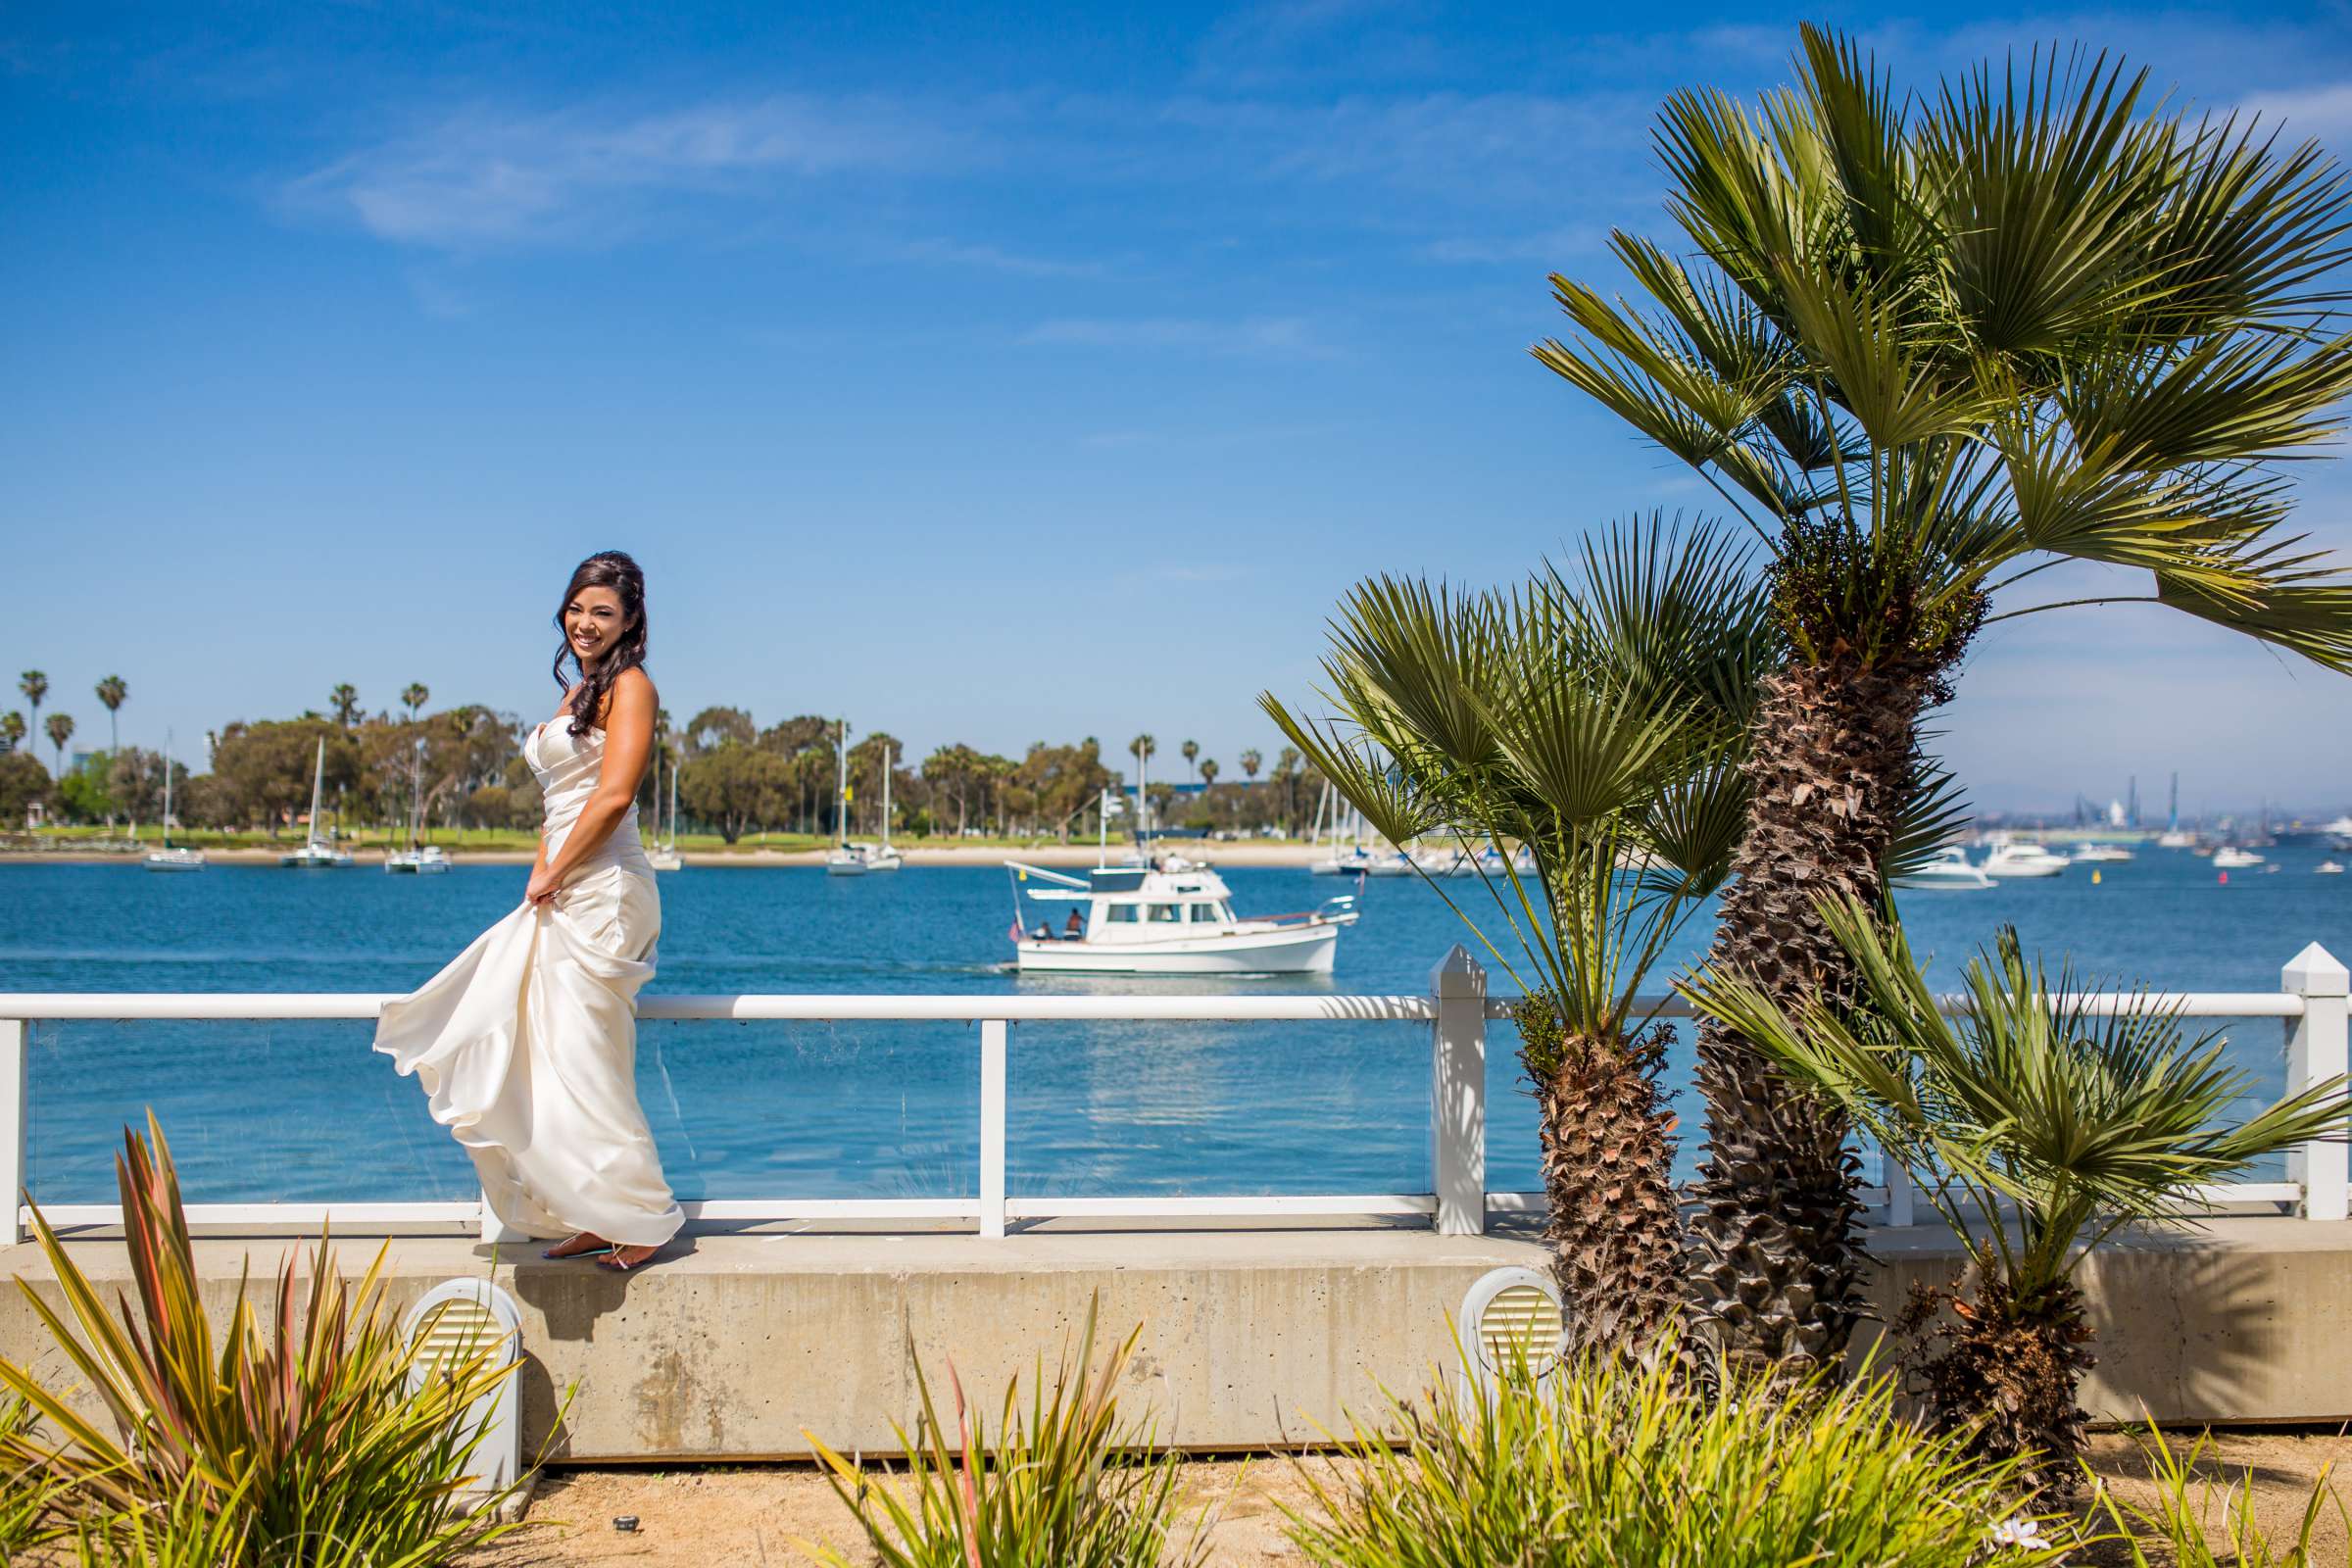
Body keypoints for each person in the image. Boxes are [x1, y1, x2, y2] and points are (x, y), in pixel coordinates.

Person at [374, 551, 682, 1274]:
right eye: (577, 608)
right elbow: (560, 797)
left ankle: (643, 1217)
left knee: (587, 1061)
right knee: (546, 1055)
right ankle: (593, 1212)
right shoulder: (579, 692)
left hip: (606, 889)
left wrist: (558, 868)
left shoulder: (632, 687)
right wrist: (541, 868)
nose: (585, 622)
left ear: (631, 620)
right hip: (563, 880)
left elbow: (612, 798)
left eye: (602, 612)